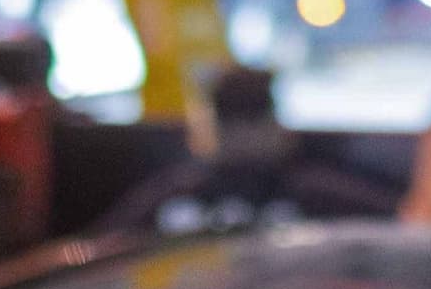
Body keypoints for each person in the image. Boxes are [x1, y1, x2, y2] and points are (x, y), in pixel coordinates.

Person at [97, 63, 402, 233]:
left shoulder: (170, 195)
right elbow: (410, 225)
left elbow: (97, 248)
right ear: (273, 123)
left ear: (210, 128)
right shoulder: (319, 193)